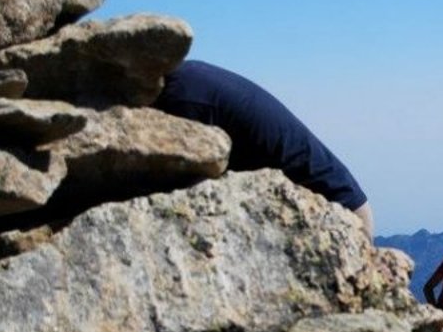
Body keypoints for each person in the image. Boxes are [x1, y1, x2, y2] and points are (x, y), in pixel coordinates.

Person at [153, 60, 374, 243]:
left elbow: (179, 198)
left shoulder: (181, 99)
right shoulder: (188, 79)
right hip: (338, 205)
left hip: (341, 217)